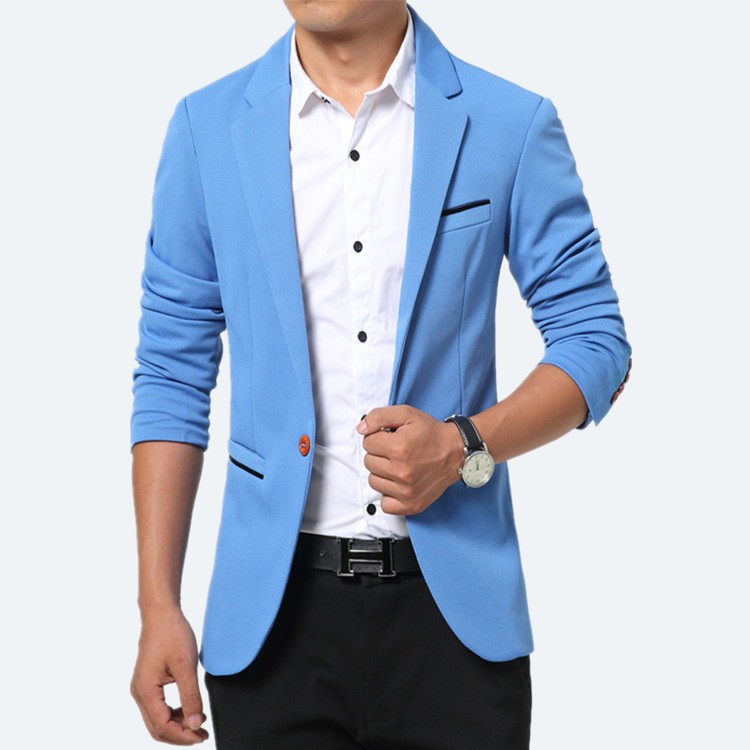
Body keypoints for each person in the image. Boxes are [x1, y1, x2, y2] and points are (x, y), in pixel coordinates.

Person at [128, 2, 632, 748]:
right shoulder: (207, 130)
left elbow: (595, 340)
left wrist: (462, 445)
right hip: (272, 627)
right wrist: (158, 604)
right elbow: (172, 373)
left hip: (456, 624)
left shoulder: (509, 122)